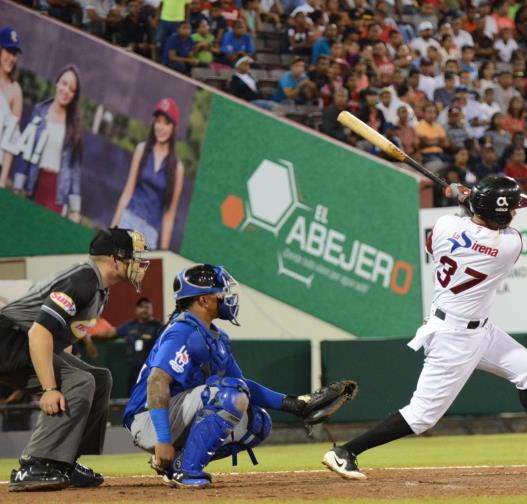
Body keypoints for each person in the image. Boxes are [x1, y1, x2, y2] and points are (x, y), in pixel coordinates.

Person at [322, 176, 527, 480]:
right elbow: (487, 225)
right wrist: (465, 196)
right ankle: (345, 451)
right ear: (499, 213)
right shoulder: (510, 244)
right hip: (455, 338)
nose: (515, 213)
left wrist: (465, 199)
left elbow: (447, 237)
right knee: (422, 415)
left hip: (477, 329)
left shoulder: (445, 225)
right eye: (511, 209)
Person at [123, 264, 357, 488]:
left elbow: (242, 386)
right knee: (230, 396)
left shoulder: (216, 337)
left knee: (258, 422)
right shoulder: (181, 330)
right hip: (149, 419)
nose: (226, 297)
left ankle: (177, 464)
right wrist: (163, 439)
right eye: (220, 292)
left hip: (177, 411)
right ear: (203, 299)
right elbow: (157, 381)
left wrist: (293, 404)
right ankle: (187, 470)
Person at [0, 228, 150, 492]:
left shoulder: (99, 289)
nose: (139, 264)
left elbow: (63, 339)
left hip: (22, 341)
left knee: (99, 378)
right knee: (80, 382)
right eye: (133, 257)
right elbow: (40, 331)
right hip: (9, 339)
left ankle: (64, 461)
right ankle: (35, 464)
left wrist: (61, 375)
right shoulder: (83, 280)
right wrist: (50, 388)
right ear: (115, 260)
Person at [12, 65, 83, 222]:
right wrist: (17, 187)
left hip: (56, 192)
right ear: (57, 83)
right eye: (64, 84)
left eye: (71, 89)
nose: (66, 91)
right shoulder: (39, 111)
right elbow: (25, 152)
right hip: (35, 184)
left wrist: (75, 209)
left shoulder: (74, 125)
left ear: (74, 95)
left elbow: (75, 170)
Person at [111, 99, 184, 250]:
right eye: (158, 121)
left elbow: (169, 215)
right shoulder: (141, 150)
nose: (161, 127)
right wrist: (112, 229)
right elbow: (127, 192)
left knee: (134, 273)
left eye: (166, 123)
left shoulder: (177, 169)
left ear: (174, 127)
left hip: (149, 233)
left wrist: (164, 253)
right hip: (128, 220)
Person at [115, 298, 163, 394]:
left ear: (152, 309)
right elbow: (111, 333)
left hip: (152, 369)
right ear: (136, 310)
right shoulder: (130, 325)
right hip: (134, 370)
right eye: (141, 307)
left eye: (147, 307)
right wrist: (89, 337)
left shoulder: (159, 326)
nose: (144, 310)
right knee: (132, 395)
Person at [0, 26, 23, 189]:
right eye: (8, 51)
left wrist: (2, 179)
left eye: (14, 54)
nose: (11, 58)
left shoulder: (16, 91)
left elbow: (10, 141)